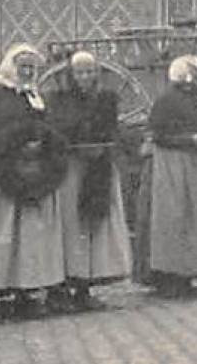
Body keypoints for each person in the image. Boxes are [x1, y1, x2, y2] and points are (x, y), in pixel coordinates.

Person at [0, 45, 68, 319]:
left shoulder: (35, 97)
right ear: (11, 67)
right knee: (0, 229)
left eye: (32, 68)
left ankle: (26, 288)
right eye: (23, 67)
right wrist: (7, 147)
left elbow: (49, 128)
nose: (28, 72)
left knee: (29, 232)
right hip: (0, 170)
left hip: (32, 170)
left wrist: (41, 145)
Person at [46, 51, 132, 310]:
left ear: (97, 74)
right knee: (70, 227)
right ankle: (60, 287)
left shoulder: (107, 99)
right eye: (80, 73)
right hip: (71, 171)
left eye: (90, 72)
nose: (85, 77)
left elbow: (112, 130)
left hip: (98, 167)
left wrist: (104, 146)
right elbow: (55, 131)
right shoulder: (58, 100)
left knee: (93, 227)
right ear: (71, 76)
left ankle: (84, 287)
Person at [135, 55, 197, 297]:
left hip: (188, 163)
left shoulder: (192, 100)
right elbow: (157, 134)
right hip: (168, 164)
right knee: (170, 218)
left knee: (187, 216)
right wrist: (188, 139)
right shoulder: (167, 101)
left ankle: (183, 275)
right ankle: (168, 276)